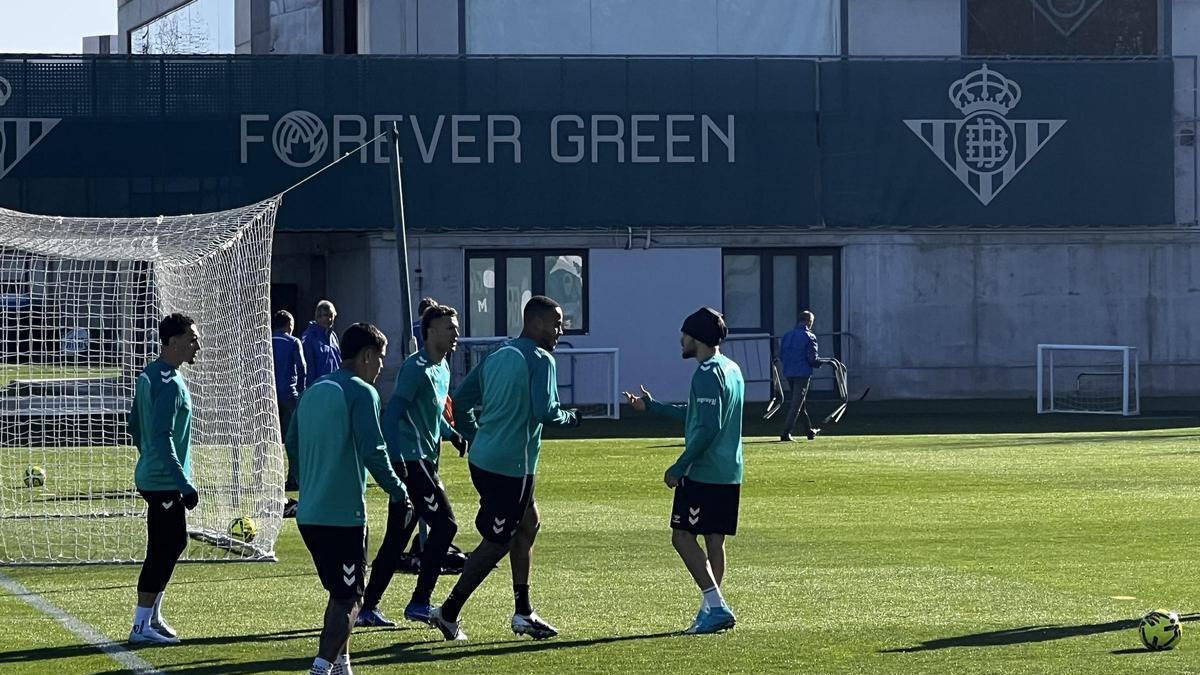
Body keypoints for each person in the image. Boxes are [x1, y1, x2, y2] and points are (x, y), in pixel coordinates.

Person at [429, 296, 580, 642]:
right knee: (498, 541)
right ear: (537, 323)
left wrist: (475, 436)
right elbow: (547, 412)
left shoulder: (499, 353)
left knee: (529, 522)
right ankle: (448, 611)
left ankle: (523, 611)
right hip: (511, 468)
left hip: (485, 460)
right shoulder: (541, 359)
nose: (560, 331)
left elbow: (463, 398)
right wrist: (573, 418)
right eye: (557, 324)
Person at [285, 322, 413, 675]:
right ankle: (321, 668)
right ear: (367, 355)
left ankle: (342, 664)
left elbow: (292, 443)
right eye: (381, 358)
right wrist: (398, 489)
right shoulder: (361, 392)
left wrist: (311, 478)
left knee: (340, 593)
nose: (382, 367)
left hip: (309, 512)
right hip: (342, 516)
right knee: (351, 597)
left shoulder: (313, 390)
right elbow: (374, 450)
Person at [623, 307, 744, 635]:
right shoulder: (731, 369)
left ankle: (716, 606)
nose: (681, 340)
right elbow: (698, 414)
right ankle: (712, 609)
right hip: (729, 470)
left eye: (685, 334)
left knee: (682, 536)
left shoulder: (706, 373)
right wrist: (653, 406)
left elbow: (706, 428)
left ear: (697, 338)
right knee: (714, 540)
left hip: (704, 471)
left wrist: (680, 465)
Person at [358, 303, 467, 627]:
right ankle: (420, 601)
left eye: (456, 327)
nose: (456, 333)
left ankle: (367, 607)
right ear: (430, 332)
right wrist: (397, 462)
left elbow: (431, 415)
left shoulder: (443, 367)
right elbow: (392, 415)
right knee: (446, 525)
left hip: (426, 460)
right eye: (450, 328)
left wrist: (452, 434)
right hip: (411, 460)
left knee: (396, 538)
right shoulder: (415, 368)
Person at [127, 313, 202, 645]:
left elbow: (134, 427)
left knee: (172, 543)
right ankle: (141, 626)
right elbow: (161, 434)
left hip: (154, 474)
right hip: (163, 480)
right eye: (191, 338)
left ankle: (152, 617)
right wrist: (182, 482)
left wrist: (149, 458)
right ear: (173, 342)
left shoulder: (150, 375)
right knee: (162, 548)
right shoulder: (169, 382)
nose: (196, 344)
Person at [778, 311, 830, 442]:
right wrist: (823, 363)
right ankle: (786, 432)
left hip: (789, 372)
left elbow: (782, 355)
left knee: (800, 403)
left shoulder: (787, 336)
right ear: (809, 321)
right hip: (802, 373)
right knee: (796, 404)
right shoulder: (809, 337)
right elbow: (812, 359)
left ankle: (809, 431)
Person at [272, 310, 306, 493]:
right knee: (293, 439)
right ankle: (293, 478)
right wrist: (301, 391)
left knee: (265, 437)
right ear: (289, 325)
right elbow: (302, 367)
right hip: (288, 394)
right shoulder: (293, 342)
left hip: (268, 395)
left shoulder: (266, 342)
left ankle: (257, 477)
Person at [302, 300, 341, 388]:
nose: (329, 319)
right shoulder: (309, 337)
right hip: (318, 388)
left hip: (334, 387)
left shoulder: (333, 336)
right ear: (318, 317)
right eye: (326, 315)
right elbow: (308, 367)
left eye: (331, 316)